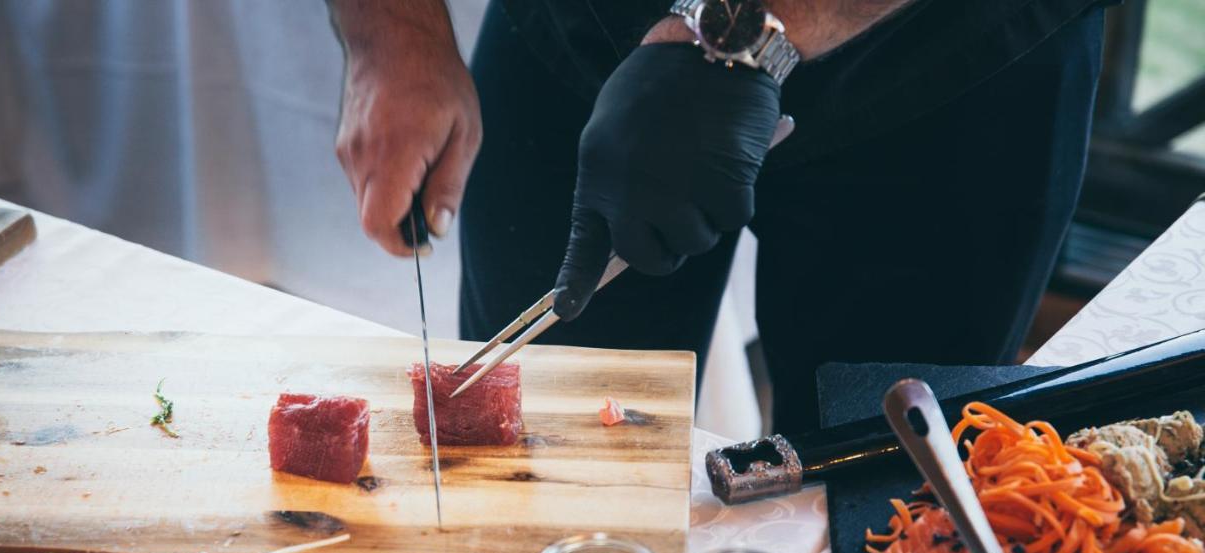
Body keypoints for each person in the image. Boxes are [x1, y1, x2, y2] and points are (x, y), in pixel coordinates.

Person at [327, 0, 1109, 434]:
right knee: (536, 464)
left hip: (950, 67)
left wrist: (744, 33)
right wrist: (390, 31)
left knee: (892, 510)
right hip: (583, 38)